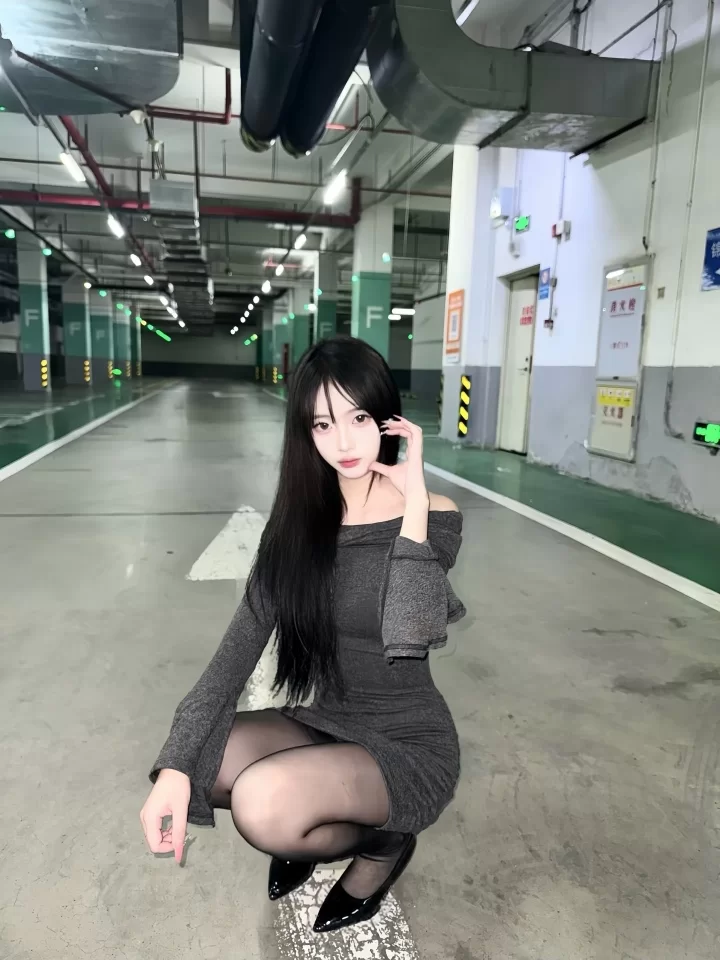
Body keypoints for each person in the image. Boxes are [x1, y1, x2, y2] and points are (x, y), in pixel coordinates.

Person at [140, 335, 466, 934]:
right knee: (204, 758)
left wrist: (414, 503)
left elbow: (410, 631)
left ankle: (386, 842)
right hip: (330, 717)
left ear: (387, 418)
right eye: (322, 423)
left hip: (408, 740)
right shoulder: (296, 528)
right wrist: (174, 770)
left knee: (263, 806)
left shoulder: (433, 514)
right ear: (305, 434)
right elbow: (232, 656)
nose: (343, 442)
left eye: (359, 418)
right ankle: (316, 810)